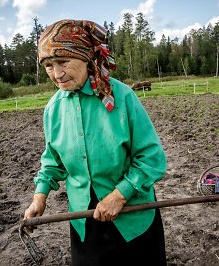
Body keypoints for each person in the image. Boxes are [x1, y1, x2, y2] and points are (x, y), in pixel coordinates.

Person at [23, 19, 167, 266]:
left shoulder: (121, 97)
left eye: (63, 62)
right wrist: (40, 198)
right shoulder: (53, 110)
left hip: (134, 219)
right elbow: (52, 161)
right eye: (48, 65)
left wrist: (119, 196)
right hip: (85, 224)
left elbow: (151, 157)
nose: (57, 74)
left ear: (86, 57)